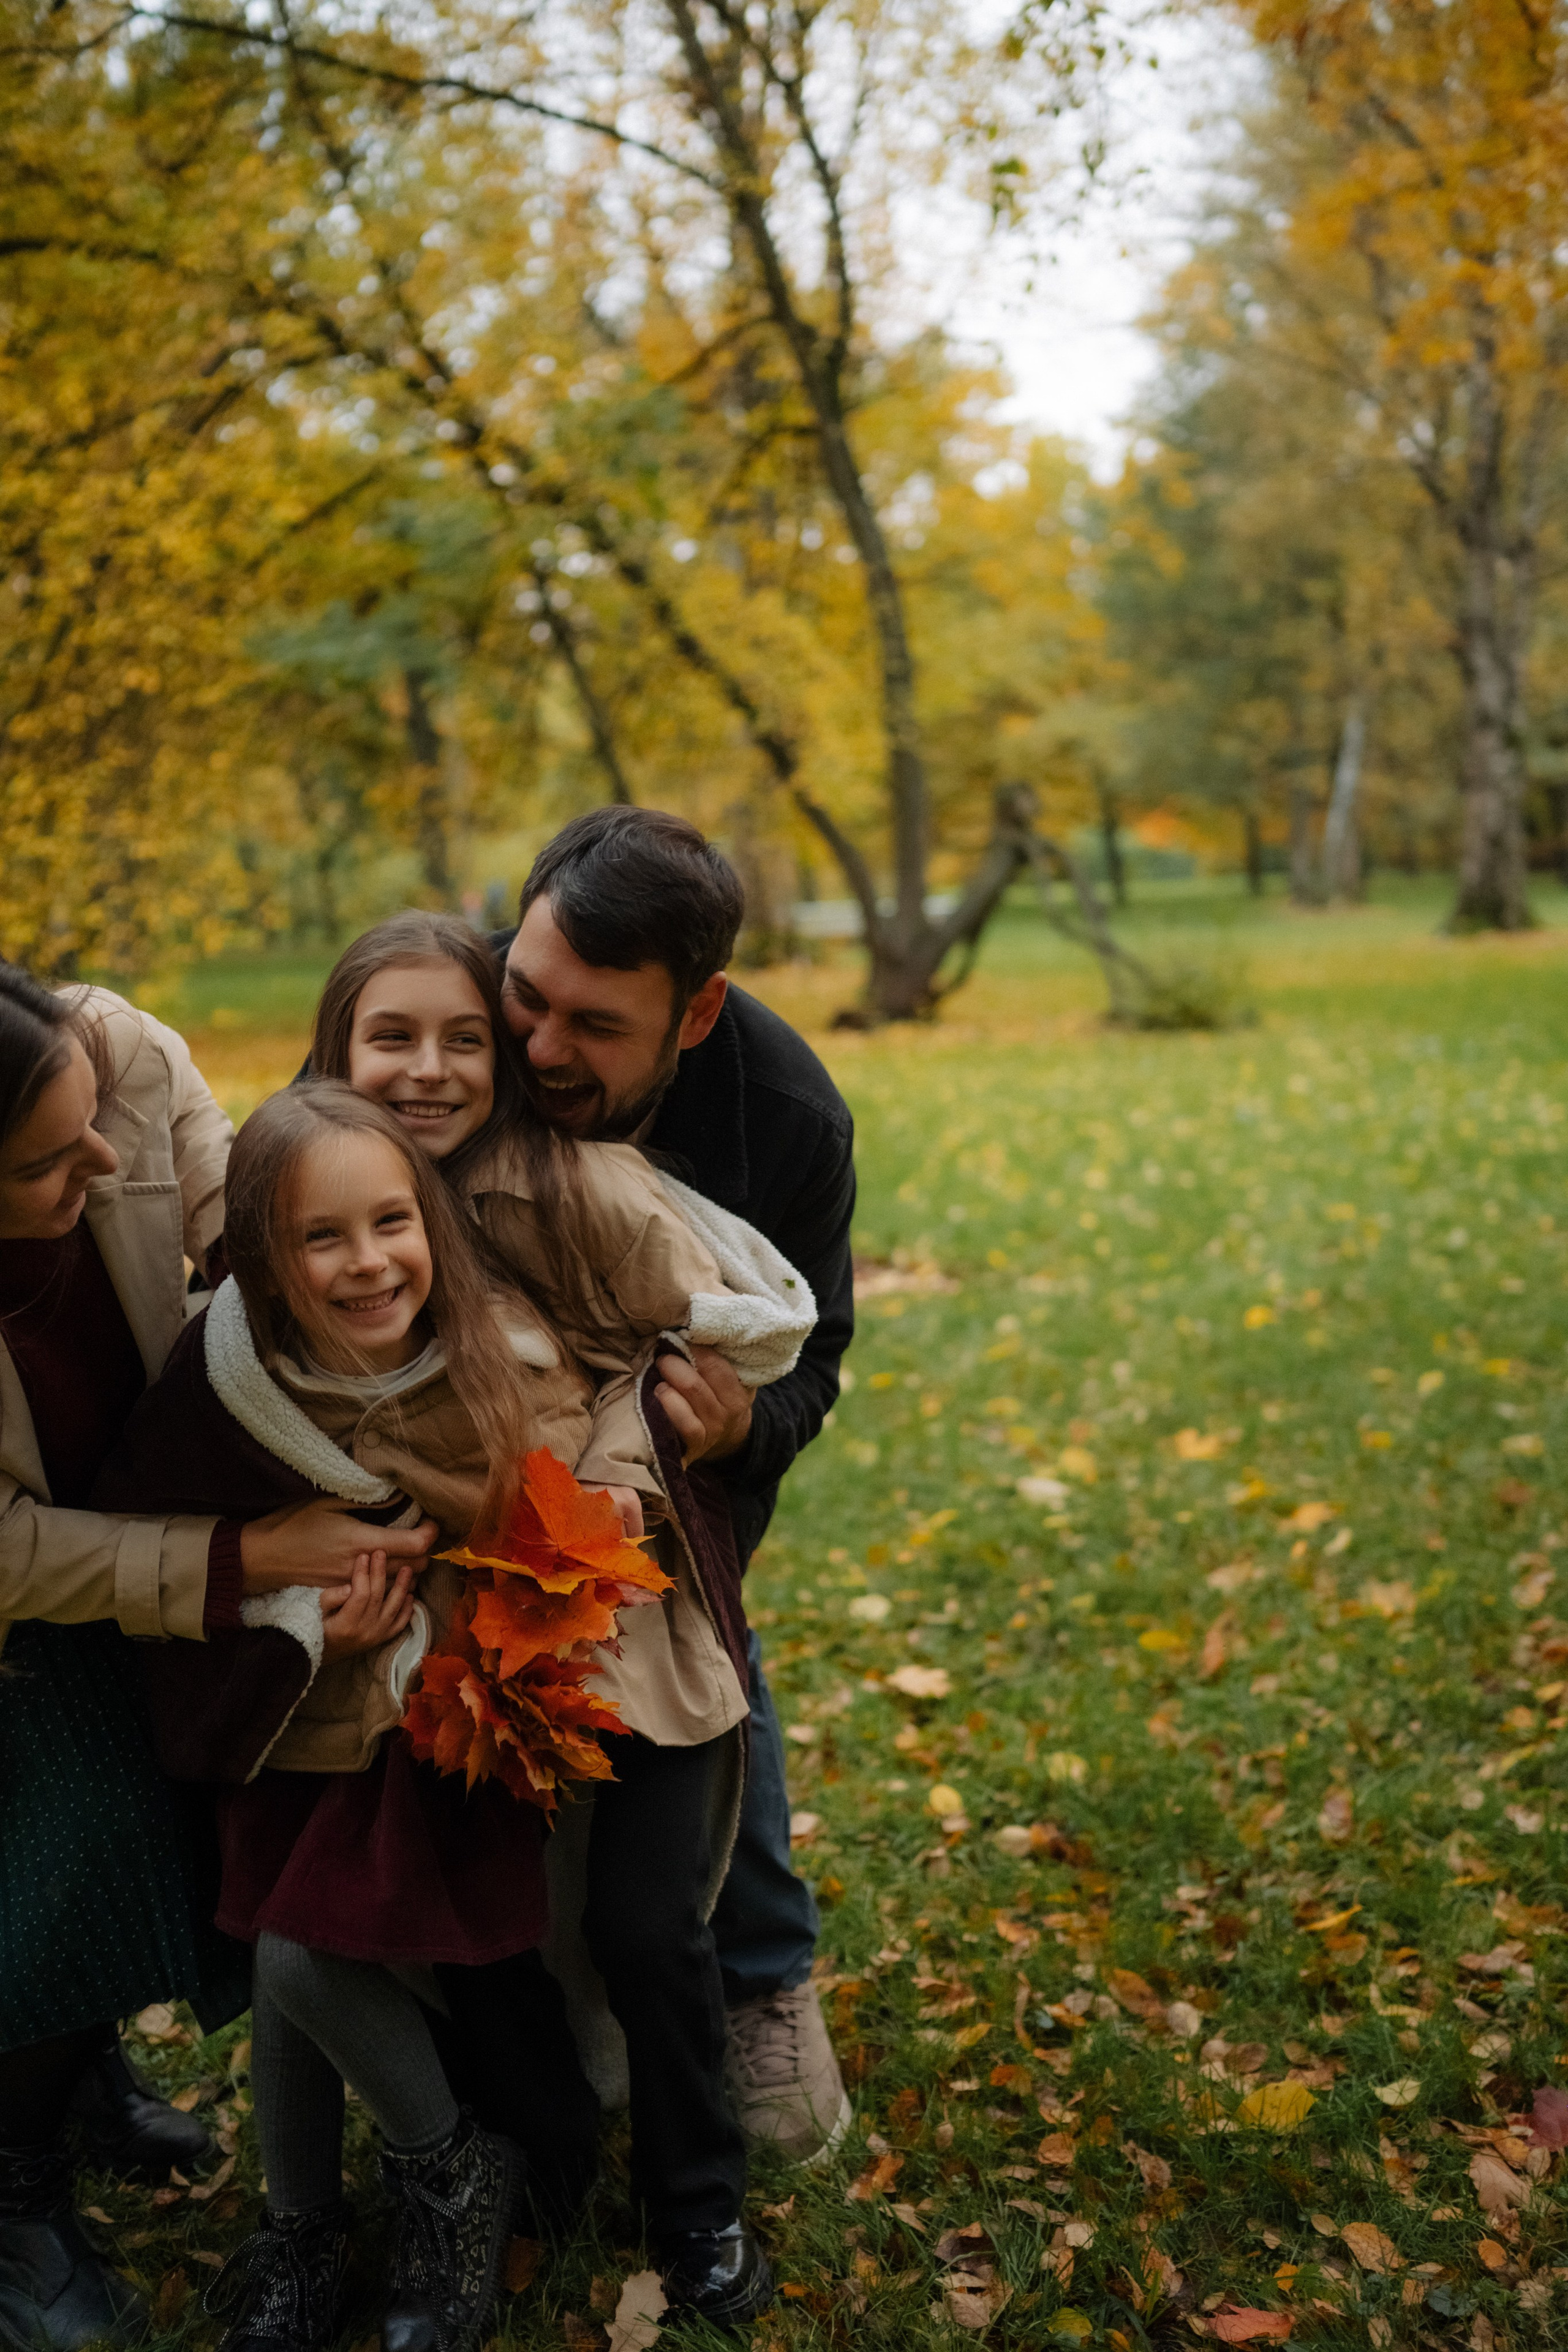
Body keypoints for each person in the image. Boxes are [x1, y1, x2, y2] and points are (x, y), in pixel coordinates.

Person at [298, 914, 818, 2326]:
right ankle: (543, 2157)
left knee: (650, 1924)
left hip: (619, 1624)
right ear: (337, 1050)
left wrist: (622, 1460)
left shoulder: (570, 1184)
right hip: (445, 1648)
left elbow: (724, 1331)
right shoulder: (307, 1199)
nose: (429, 1069)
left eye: (466, 1039)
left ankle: (697, 2204)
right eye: (393, 1039)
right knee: (486, 1929)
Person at [0, 968, 436, 2352]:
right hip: (33, 1579)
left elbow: (241, 1232)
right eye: (48, 1163)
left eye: (90, 1121)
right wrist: (241, 1566)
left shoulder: (114, 1053)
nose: (104, 1158)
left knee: (197, 1797)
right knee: (93, 1827)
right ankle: (13, 2187)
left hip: (156, 1491)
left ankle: (78, 2060)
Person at [494, 809, 855, 2163]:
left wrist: (737, 1427)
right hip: (459, 1421)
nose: (535, 1047)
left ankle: (762, 1978)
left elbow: (816, 1363)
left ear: (695, 1013)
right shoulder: (445, 1013)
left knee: (699, 1647)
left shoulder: (787, 1117)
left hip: (665, 1459)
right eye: (526, 996)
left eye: (593, 1027)